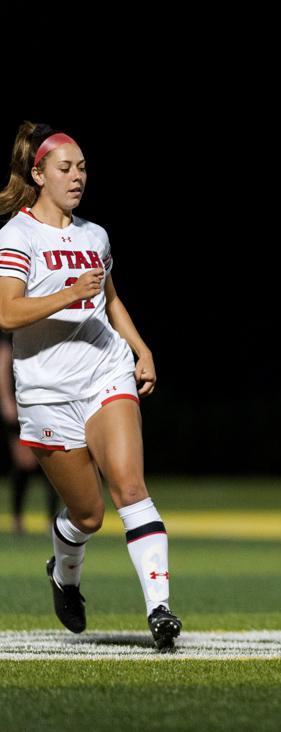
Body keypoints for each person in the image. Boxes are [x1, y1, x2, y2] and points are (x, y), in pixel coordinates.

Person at [0, 122, 180, 651]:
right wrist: (69, 293)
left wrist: (140, 348)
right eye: (65, 168)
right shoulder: (16, 235)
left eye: (82, 168)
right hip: (47, 392)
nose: (77, 177)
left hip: (104, 371)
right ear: (38, 174)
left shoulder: (94, 235)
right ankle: (65, 575)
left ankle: (161, 610)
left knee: (130, 488)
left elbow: (110, 299)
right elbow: (7, 312)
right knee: (88, 514)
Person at [1, 331, 56, 534]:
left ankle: (53, 519)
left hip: (46, 402)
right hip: (20, 403)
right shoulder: (12, 329)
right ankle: (17, 518)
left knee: (54, 459)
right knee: (24, 463)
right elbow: (3, 365)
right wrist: (6, 399)